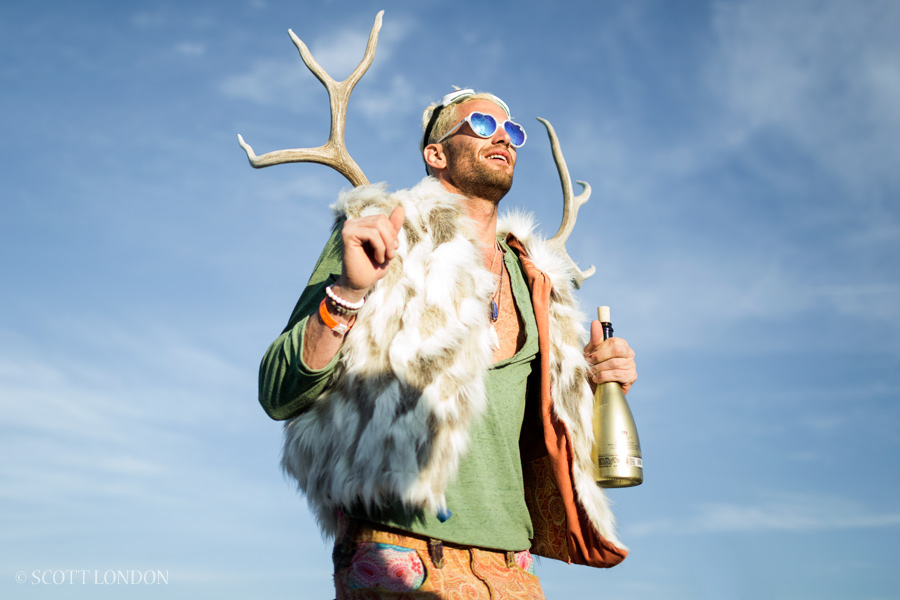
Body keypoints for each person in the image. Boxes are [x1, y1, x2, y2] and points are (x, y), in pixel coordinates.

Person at [259, 88, 638, 599]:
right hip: (398, 554)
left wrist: (596, 387)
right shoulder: (386, 233)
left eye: (512, 131)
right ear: (436, 154)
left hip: (511, 566)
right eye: (481, 124)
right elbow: (278, 391)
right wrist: (348, 293)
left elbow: (547, 436)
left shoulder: (539, 281)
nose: (503, 134)